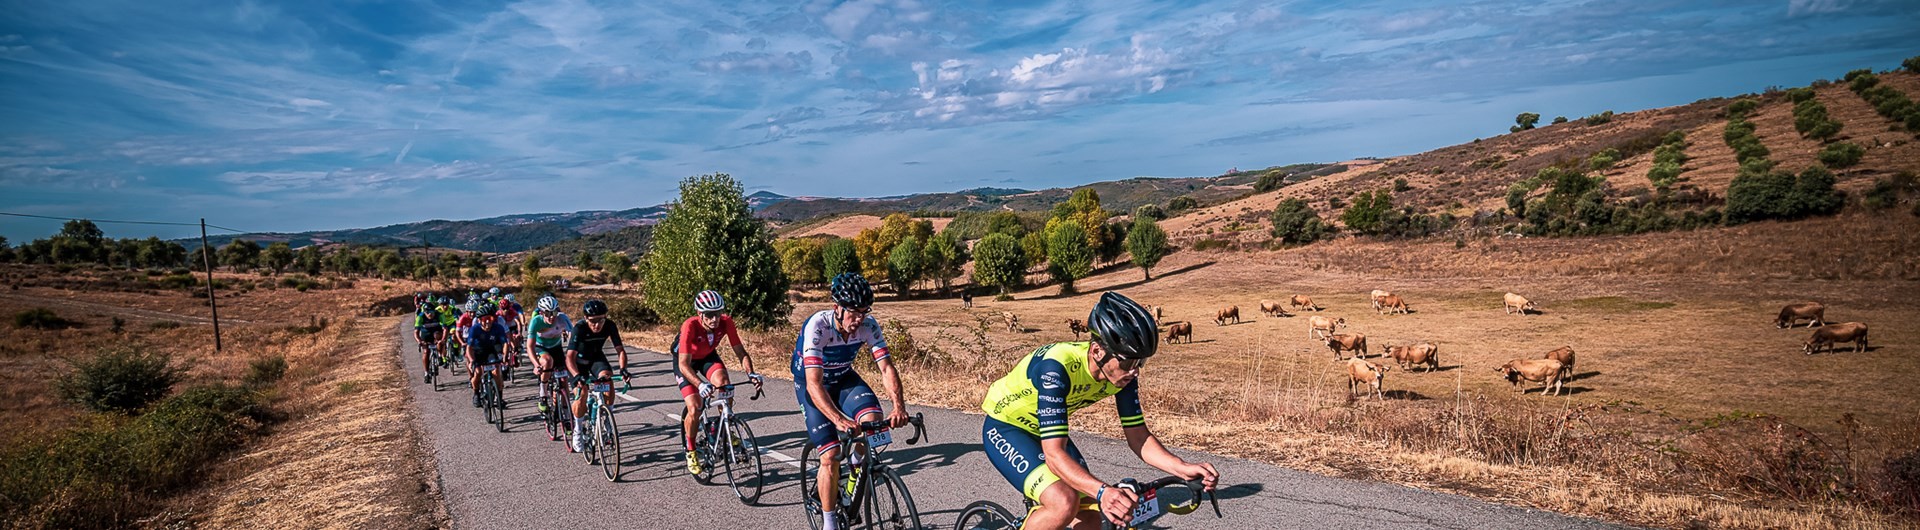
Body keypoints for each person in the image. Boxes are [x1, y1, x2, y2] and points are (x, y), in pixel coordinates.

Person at [978, 292, 1217, 530]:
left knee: (1091, 517)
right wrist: (1104, 492)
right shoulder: (1056, 369)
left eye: (1140, 363)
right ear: (1097, 352)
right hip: (1007, 427)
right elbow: (1054, 455)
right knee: (1064, 503)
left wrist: (1181, 467)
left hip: (1043, 430)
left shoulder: (1122, 375)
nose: (1135, 371)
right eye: (1128, 362)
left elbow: (1138, 437)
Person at [791, 272, 910, 530]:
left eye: (863, 312)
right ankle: (829, 522)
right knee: (831, 454)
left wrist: (899, 407)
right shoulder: (818, 326)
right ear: (837, 307)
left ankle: (851, 486)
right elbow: (813, 383)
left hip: (844, 377)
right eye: (853, 312)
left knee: (873, 422)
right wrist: (839, 420)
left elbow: (886, 368)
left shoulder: (869, 325)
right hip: (812, 385)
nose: (858, 319)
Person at [675, 290, 761, 475]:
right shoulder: (690, 325)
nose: (715, 319)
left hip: (707, 356)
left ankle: (725, 426)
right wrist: (700, 385)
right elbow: (683, 364)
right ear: (700, 314)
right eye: (709, 315)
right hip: (686, 361)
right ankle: (690, 451)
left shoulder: (726, 321)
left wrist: (751, 374)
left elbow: (740, 352)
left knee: (724, 383)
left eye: (718, 313)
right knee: (695, 407)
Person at [566, 299, 630, 453]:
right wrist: (576, 377)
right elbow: (569, 357)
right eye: (593, 321)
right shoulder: (579, 328)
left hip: (596, 359)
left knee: (608, 378)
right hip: (578, 362)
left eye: (601, 319)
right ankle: (578, 429)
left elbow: (620, 350)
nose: (597, 324)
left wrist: (623, 369)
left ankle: (607, 418)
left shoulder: (609, 325)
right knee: (582, 393)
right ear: (586, 318)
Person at [526, 295, 573, 413]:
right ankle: (543, 394)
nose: (551, 316)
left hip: (556, 348)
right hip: (540, 347)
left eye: (554, 312)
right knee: (547, 361)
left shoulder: (563, 318)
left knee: (563, 381)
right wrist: (536, 365)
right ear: (541, 313)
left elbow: (573, 338)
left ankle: (565, 412)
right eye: (547, 313)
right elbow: (530, 346)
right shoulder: (536, 321)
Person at [464, 301, 512, 409]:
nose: (487, 322)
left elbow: (505, 343)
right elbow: (469, 348)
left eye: (489, 319)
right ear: (479, 320)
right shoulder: (474, 329)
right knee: (478, 372)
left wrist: (505, 356)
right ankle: (476, 394)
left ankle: (499, 398)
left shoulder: (498, 327)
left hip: (491, 350)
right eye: (484, 320)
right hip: (478, 351)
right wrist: (471, 360)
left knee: (496, 372)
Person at [413, 299, 447, 382]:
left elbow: (445, 329)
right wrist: (419, 341)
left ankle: (439, 356)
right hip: (426, 334)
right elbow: (416, 332)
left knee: (439, 338)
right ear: (424, 312)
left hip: (437, 332)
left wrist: (443, 339)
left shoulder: (439, 315)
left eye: (432, 312)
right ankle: (426, 373)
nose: (430, 314)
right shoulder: (420, 317)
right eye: (427, 312)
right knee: (426, 352)